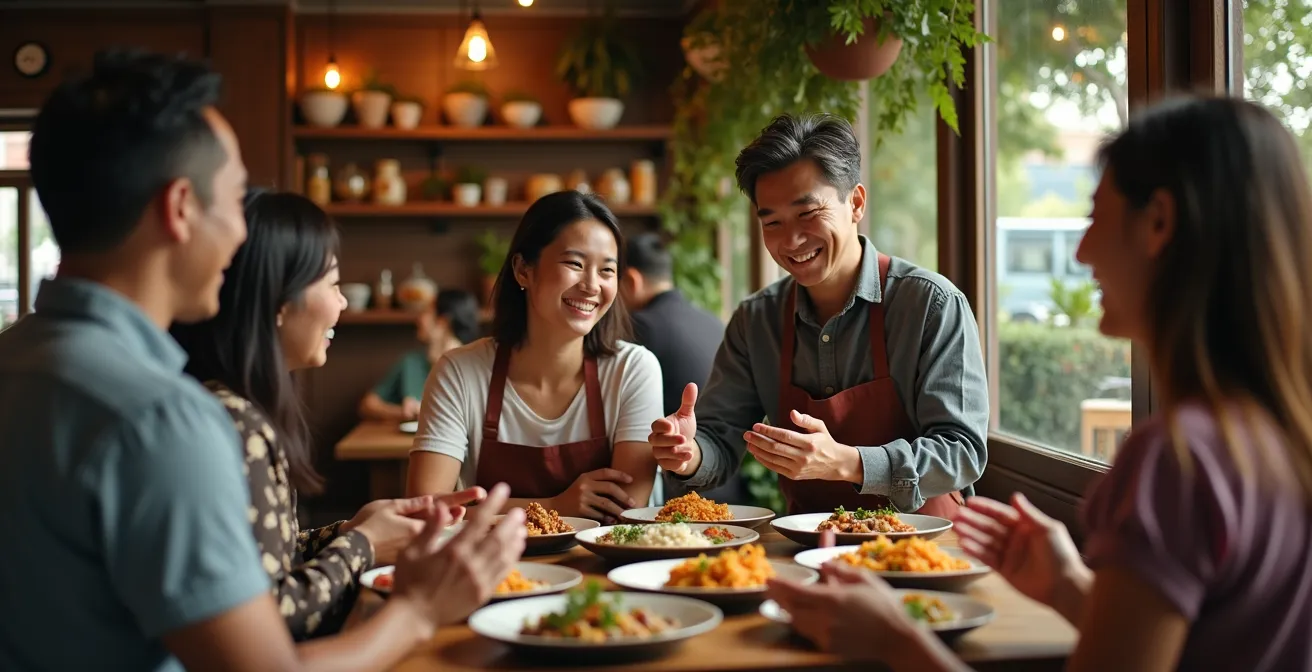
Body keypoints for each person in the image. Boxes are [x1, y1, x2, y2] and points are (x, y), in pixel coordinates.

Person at [0, 49, 524, 672]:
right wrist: (418, 608)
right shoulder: (161, 419)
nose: (243, 234)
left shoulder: (19, 356)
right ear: (180, 208)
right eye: (232, 196)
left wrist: (355, 534)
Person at [766, 96, 1312, 672]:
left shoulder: (1177, 460)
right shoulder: (1279, 433)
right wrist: (1070, 586)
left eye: (1097, 216)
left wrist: (893, 640)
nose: (1081, 250)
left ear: (1158, 223)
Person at [170, 190, 488, 640]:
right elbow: (271, 620)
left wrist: (356, 525)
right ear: (280, 300)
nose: (341, 304)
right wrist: (366, 545)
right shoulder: (233, 422)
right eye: (333, 284)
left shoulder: (229, 406)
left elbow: (271, 559)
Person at [650, 113, 989, 517]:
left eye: (808, 214)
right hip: (810, 552)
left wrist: (848, 463)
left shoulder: (931, 304)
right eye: (772, 222)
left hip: (922, 552)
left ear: (856, 203)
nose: (790, 240)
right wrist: (688, 453)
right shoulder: (757, 320)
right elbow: (718, 442)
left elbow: (962, 451)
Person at [407, 190, 663, 521]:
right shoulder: (459, 371)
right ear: (523, 270)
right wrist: (554, 507)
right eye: (575, 263)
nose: (591, 285)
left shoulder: (633, 370)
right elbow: (425, 508)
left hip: (600, 568)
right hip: (489, 569)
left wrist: (485, 510)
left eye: (606, 271)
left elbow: (625, 509)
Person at [620, 231, 743, 504]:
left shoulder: (638, 327)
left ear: (631, 280)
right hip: (727, 490)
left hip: (676, 499)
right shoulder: (711, 321)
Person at [358, 289, 481, 422]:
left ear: (443, 321)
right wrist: (402, 412)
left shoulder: (476, 366)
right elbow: (367, 405)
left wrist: (427, 410)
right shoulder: (411, 363)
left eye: (426, 312)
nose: (419, 318)